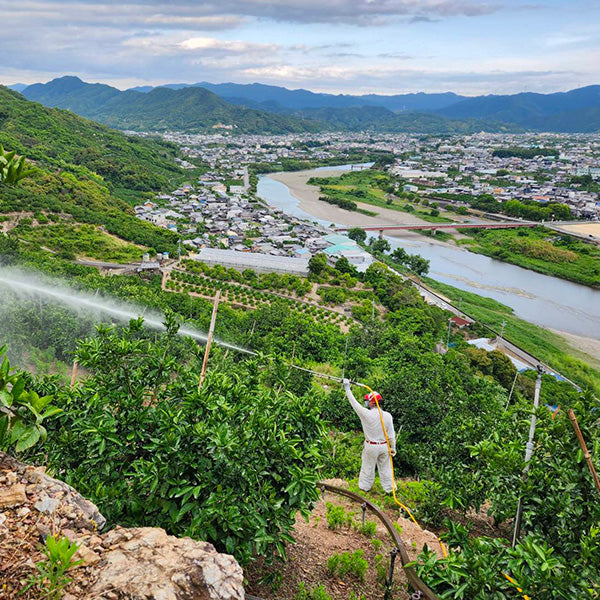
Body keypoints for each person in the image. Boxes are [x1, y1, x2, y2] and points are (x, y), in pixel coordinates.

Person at [343, 378, 396, 493]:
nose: (366, 402)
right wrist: (393, 448)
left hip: (371, 446)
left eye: (367, 400)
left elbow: (354, 403)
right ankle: (390, 490)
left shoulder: (366, 414)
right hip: (384, 446)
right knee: (386, 469)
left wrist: (347, 388)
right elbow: (391, 435)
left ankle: (364, 488)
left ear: (373, 402)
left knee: (368, 468)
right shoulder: (388, 416)